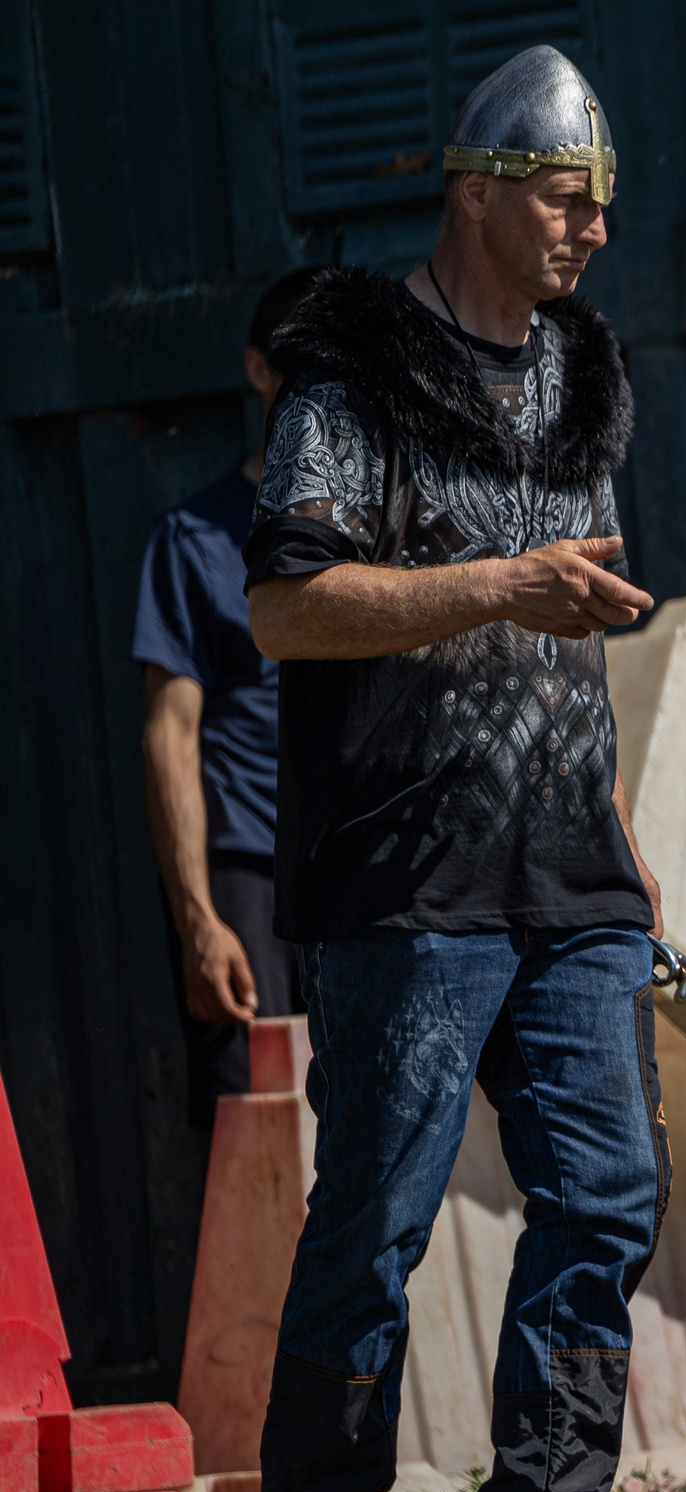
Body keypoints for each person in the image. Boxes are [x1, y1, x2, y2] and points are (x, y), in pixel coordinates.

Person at [240, 46, 686, 1492]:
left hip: (572, 869)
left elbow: (569, 651)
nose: (594, 228)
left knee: (610, 1186)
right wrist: (502, 580)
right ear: (478, 194)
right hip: (406, 873)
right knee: (377, 1213)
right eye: (566, 198)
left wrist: (623, 839)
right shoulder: (352, 378)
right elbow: (287, 606)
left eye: (600, 203)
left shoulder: (583, 377)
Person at [135, 267, 322, 1135]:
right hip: (250, 878)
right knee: (256, 1135)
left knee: (387, 1136)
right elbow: (169, 736)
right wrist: (199, 920)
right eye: (305, 369)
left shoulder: (387, 535)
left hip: (366, 878)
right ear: (259, 370)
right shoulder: (195, 541)